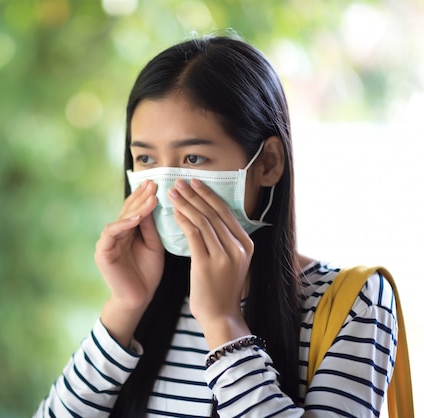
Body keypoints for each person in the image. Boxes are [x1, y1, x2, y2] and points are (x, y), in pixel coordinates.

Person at [33, 35, 398, 417]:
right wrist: (124, 306)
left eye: (193, 157)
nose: (166, 186)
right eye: (145, 158)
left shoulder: (356, 302)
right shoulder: (145, 305)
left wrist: (223, 323)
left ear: (268, 163)